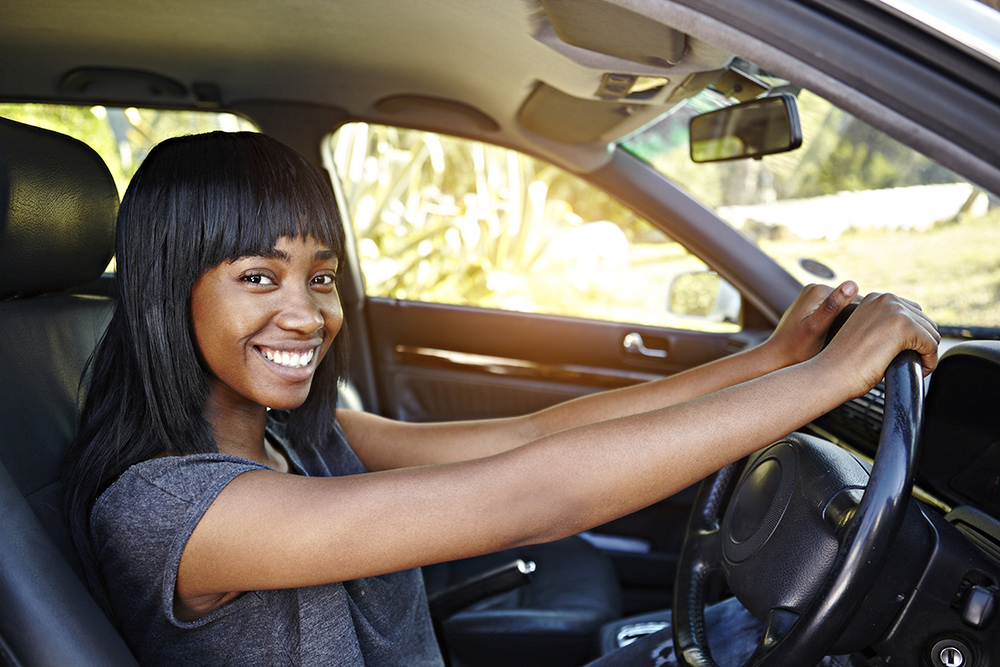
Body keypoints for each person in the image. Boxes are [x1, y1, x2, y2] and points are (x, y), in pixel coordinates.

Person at [63, 131, 939, 667]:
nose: (308, 311)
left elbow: (532, 435)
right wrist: (826, 381)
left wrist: (775, 359)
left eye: (321, 276)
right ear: (168, 288)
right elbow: (534, 495)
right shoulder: (170, 510)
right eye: (259, 276)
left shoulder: (300, 433)